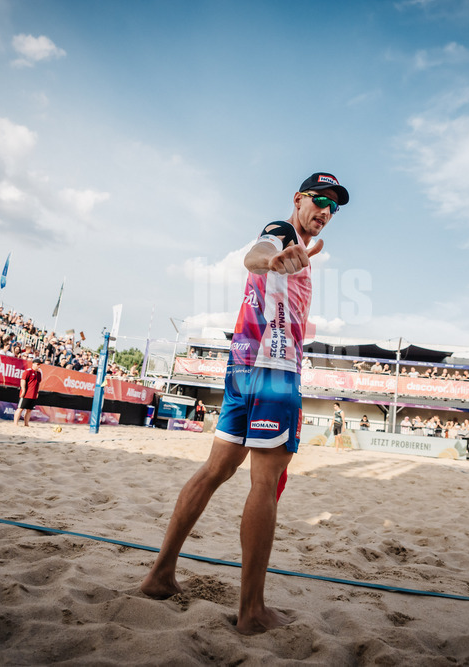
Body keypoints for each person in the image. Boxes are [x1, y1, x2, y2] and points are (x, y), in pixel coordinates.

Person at [140, 172, 349, 634]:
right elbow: (255, 255)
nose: (326, 212)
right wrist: (274, 261)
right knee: (266, 478)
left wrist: (280, 263)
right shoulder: (281, 233)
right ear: (298, 199)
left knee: (216, 470)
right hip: (274, 369)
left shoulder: (297, 246)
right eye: (319, 200)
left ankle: (159, 575)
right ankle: (251, 611)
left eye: (333, 208)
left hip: (243, 363)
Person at [14, 358, 43, 427]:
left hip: (33, 394)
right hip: (26, 393)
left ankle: (26, 424)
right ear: (33, 364)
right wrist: (23, 390)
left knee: (29, 410)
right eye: (37, 364)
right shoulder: (28, 371)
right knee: (20, 408)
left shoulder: (39, 373)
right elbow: (23, 380)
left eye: (40, 365)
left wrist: (37, 392)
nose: (39, 366)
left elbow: (38, 383)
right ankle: (15, 423)